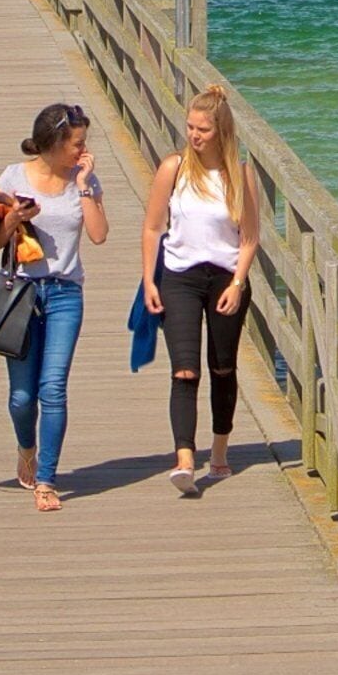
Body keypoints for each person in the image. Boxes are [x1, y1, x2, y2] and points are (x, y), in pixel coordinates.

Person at [140, 85, 264, 496]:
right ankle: (184, 459)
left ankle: (220, 451)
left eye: (203, 130)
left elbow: (250, 238)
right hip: (180, 277)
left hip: (225, 277)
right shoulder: (173, 168)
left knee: (222, 367)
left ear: (221, 132)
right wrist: (149, 280)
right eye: (190, 127)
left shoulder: (240, 175)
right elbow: (153, 228)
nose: (194, 135)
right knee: (185, 369)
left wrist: (238, 283)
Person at [0, 104, 108, 511]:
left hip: (64, 294)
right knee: (22, 397)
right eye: (77, 144)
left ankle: (46, 480)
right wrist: (13, 218)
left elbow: (99, 235)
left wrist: (84, 186)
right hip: (21, 294)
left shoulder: (83, 179)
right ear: (55, 144)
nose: (83, 151)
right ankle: (27, 447)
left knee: (53, 388)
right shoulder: (13, 177)